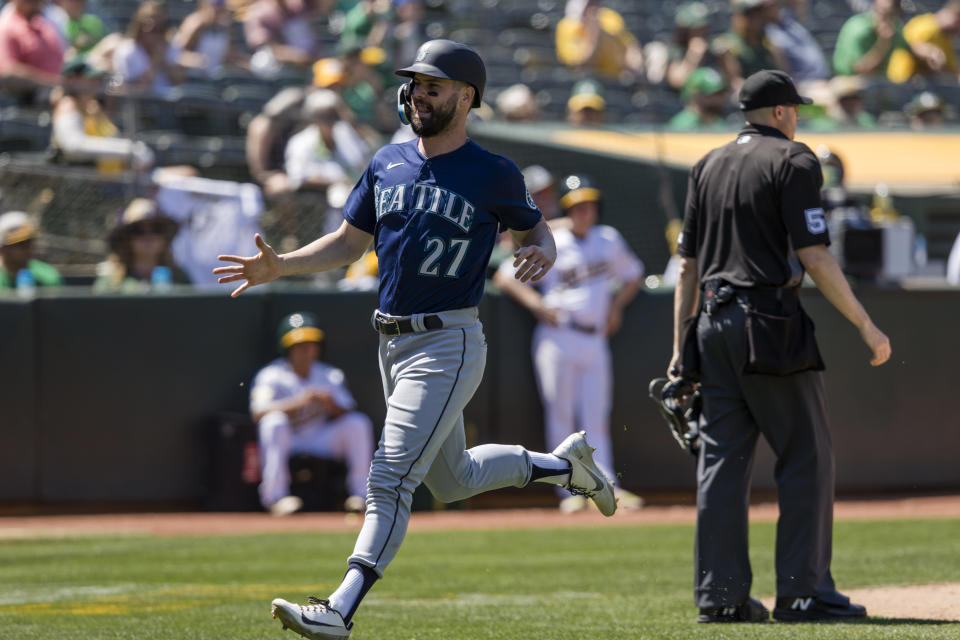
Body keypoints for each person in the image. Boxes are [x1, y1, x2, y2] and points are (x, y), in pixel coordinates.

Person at [215, 39, 617, 640]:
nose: (418, 93)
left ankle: (340, 609)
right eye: (416, 84)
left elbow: (540, 230)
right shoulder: (387, 161)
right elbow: (351, 244)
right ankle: (564, 467)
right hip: (393, 345)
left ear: (466, 97)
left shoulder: (493, 172)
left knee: (389, 477)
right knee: (451, 479)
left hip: (448, 343)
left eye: (433, 85)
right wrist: (282, 266)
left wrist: (543, 249)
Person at [669, 69, 891, 623]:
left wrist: (680, 349)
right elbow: (813, 254)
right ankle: (803, 591)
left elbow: (687, 269)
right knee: (806, 455)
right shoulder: (795, 160)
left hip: (711, 323)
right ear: (782, 112)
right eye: (794, 108)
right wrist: (866, 324)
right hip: (766, 320)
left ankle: (720, 599)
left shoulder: (707, 164)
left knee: (721, 466)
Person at [493, 174, 644, 513]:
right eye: (576, 206)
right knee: (561, 414)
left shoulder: (608, 239)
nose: (583, 212)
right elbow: (504, 275)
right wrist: (537, 305)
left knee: (597, 416)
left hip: (595, 338)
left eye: (588, 205)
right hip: (558, 336)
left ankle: (607, 486)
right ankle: (569, 492)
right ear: (566, 209)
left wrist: (617, 307)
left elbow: (634, 274)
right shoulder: (553, 240)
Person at [252, 312, 374, 516]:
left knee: (358, 423)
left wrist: (330, 402)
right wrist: (297, 403)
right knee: (273, 423)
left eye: (311, 344)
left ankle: (360, 495)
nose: (306, 350)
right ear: (288, 348)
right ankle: (275, 497)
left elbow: (347, 409)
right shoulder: (271, 375)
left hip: (320, 436)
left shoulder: (329, 374)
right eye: (299, 345)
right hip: (290, 438)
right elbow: (258, 412)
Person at [94, 198, 191, 293]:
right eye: (138, 231)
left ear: (164, 238)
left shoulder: (179, 278)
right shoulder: (113, 281)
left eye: (156, 229)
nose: (148, 237)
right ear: (127, 239)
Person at [283, 89, 370, 192]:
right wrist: (336, 182)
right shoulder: (300, 142)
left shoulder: (344, 131)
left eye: (334, 116)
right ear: (313, 118)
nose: (332, 121)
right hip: (317, 198)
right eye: (326, 117)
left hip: (352, 192)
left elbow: (363, 162)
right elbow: (298, 178)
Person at [555, 0, 644, 80]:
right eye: (590, 4)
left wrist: (633, 59)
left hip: (617, 77)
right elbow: (582, 63)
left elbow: (629, 44)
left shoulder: (609, 17)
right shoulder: (567, 27)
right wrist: (593, 30)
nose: (594, 7)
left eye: (595, 2)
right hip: (587, 80)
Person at [712, 0, 785, 94]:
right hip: (746, 94)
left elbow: (782, 73)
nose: (755, 20)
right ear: (739, 18)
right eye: (749, 15)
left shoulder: (769, 43)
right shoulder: (730, 44)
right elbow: (735, 82)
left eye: (758, 14)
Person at [832, 0, 914, 82]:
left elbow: (911, 51)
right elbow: (860, 70)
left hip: (881, 84)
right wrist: (883, 44)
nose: (888, 20)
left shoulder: (896, 29)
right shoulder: (858, 28)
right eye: (884, 14)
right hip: (849, 82)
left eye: (892, 15)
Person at [0, 0, 66, 93]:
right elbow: (8, 72)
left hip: (57, 94)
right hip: (28, 102)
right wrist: (52, 83)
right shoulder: (6, 26)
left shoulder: (49, 22)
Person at [764, 0, 830, 83]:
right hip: (803, 83)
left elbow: (800, 3)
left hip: (823, 79)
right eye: (768, 6)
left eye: (774, 4)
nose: (773, 6)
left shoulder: (788, 19)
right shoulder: (769, 33)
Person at [894, 0, 960, 82]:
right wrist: (930, 52)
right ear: (956, 16)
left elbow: (954, 70)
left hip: (920, 87)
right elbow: (910, 45)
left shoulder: (945, 40)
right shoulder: (926, 24)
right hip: (900, 83)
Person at [0, 211, 62, 290]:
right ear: (2, 248)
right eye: (20, 244)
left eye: (29, 242)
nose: (28, 248)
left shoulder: (47, 276)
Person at [665, 1, 717, 92]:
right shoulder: (677, 49)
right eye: (696, 29)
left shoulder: (713, 46)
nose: (701, 32)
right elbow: (677, 82)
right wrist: (693, 56)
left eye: (703, 28)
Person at [667, 66, 730, 130]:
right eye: (713, 95)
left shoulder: (720, 123)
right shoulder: (681, 125)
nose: (719, 99)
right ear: (696, 96)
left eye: (720, 94)